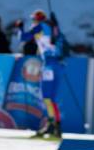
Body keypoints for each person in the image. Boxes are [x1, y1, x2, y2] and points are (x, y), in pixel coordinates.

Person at [16, 9, 62, 138]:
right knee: (51, 99)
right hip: (57, 64)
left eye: (34, 19)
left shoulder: (40, 26)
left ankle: (52, 126)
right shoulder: (53, 27)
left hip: (49, 64)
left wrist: (20, 28)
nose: (33, 22)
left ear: (38, 19)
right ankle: (56, 126)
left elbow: (23, 38)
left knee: (47, 97)